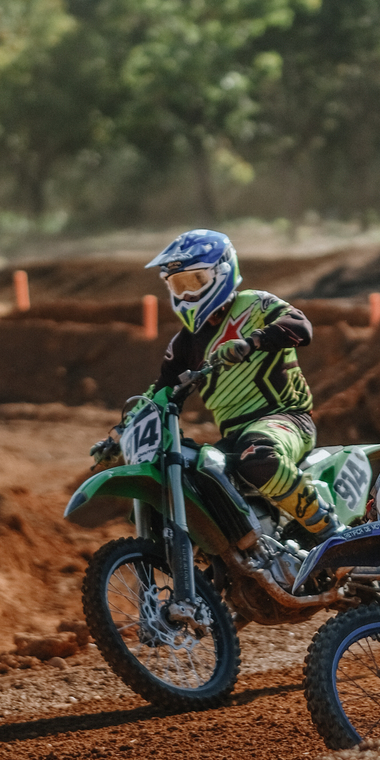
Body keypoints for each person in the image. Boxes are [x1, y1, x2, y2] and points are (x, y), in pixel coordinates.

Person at [102, 229, 339, 538]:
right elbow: (161, 392)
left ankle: (328, 529)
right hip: (235, 436)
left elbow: (301, 327)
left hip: (285, 419)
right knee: (200, 479)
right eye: (179, 285)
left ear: (222, 271)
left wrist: (252, 342)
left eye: (195, 281)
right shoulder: (186, 343)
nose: (186, 294)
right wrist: (119, 435)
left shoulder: (255, 304)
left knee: (256, 454)